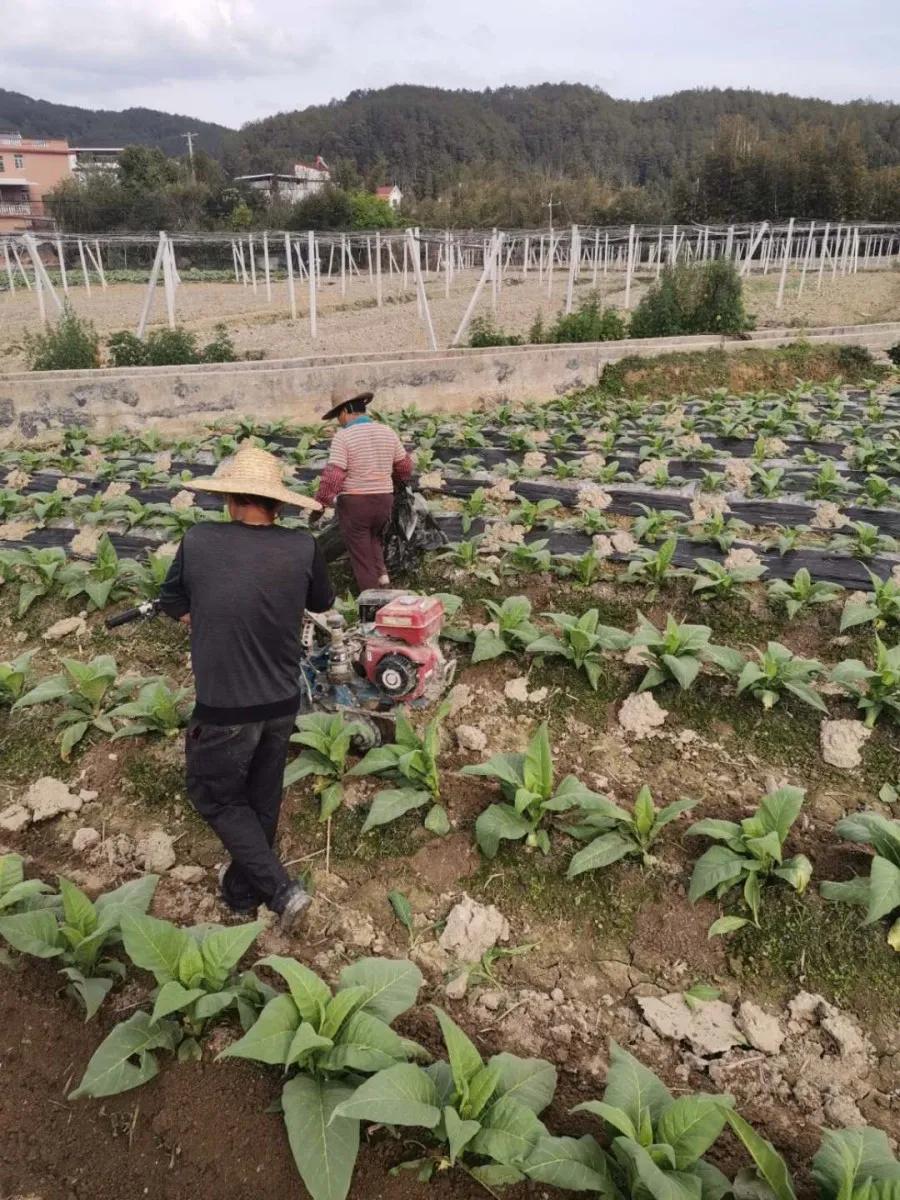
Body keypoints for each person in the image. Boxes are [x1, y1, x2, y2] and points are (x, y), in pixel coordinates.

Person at [158, 444, 334, 931]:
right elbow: (322, 602)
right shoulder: (302, 546)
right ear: (278, 503)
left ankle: (281, 890)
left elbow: (172, 600)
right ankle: (241, 893)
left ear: (230, 499)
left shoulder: (199, 539)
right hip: (282, 699)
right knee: (262, 795)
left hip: (225, 705)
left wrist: (209, 617)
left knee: (213, 795)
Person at [314, 390, 413, 591]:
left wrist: (321, 502)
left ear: (345, 411)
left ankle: (371, 599)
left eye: (338, 415)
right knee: (374, 539)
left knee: (361, 555)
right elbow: (405, 466)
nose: (339, 421)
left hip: (356, 503)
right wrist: (393, 482)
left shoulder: (344, 437)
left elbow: (334, 475)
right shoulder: (387, 431)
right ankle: (383, 582)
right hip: (384, 500)